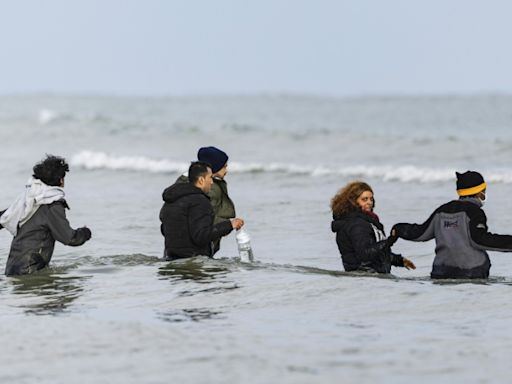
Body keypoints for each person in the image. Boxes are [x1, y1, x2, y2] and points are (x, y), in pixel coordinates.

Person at [392, 171, 512, 279]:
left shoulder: (441, 210)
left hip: (441, 272)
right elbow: (480, 240)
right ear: (479, 193)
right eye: (484, 191)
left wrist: (398, 229)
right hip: (471, 273)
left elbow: (419, 233)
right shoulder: (475, 212)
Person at [0, 155, 92, 276]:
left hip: (11, 270)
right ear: (60, 180)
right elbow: (70, 238)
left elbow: (3, 218)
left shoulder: (28, 199)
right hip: (29, 272)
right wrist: (85, 232)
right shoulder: (52, 205)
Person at [160, 161, 244, 260]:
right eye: (210, 178)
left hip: (170, 259)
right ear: (201, 180)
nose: (212, 182)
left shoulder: (171, 200)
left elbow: (164, 228)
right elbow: (201, 236)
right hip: (192, 264)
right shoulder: (200, 201)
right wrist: (229, 225)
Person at [330, 181, 415, 274]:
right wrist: (390, 240)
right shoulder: (357, 225)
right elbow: (365, 255)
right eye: (364, 199)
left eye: (371, 199)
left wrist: (399, 260)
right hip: (364, 278)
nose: (369, 202)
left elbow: (376, 254)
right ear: (353, 201)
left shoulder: (366, 222)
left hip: (369, 277)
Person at [175, 146, 236, 254]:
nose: (226, 170)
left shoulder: (187, 183)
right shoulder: (209, 188)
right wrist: (227, 225)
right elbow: (204, 216)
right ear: (214, 168)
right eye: (224, 167)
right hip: (198, 245)